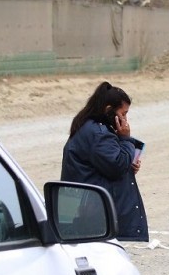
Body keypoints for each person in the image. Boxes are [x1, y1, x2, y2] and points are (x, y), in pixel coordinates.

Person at [60, 82, 148, 242]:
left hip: (87, 208)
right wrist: (126, 140)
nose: (125, 120)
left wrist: (129, 165)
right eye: (123, 113)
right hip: (92, 211)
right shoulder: (99, 134)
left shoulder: (89, 126)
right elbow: (117, 166)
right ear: (108, 110)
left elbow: (106, 165)